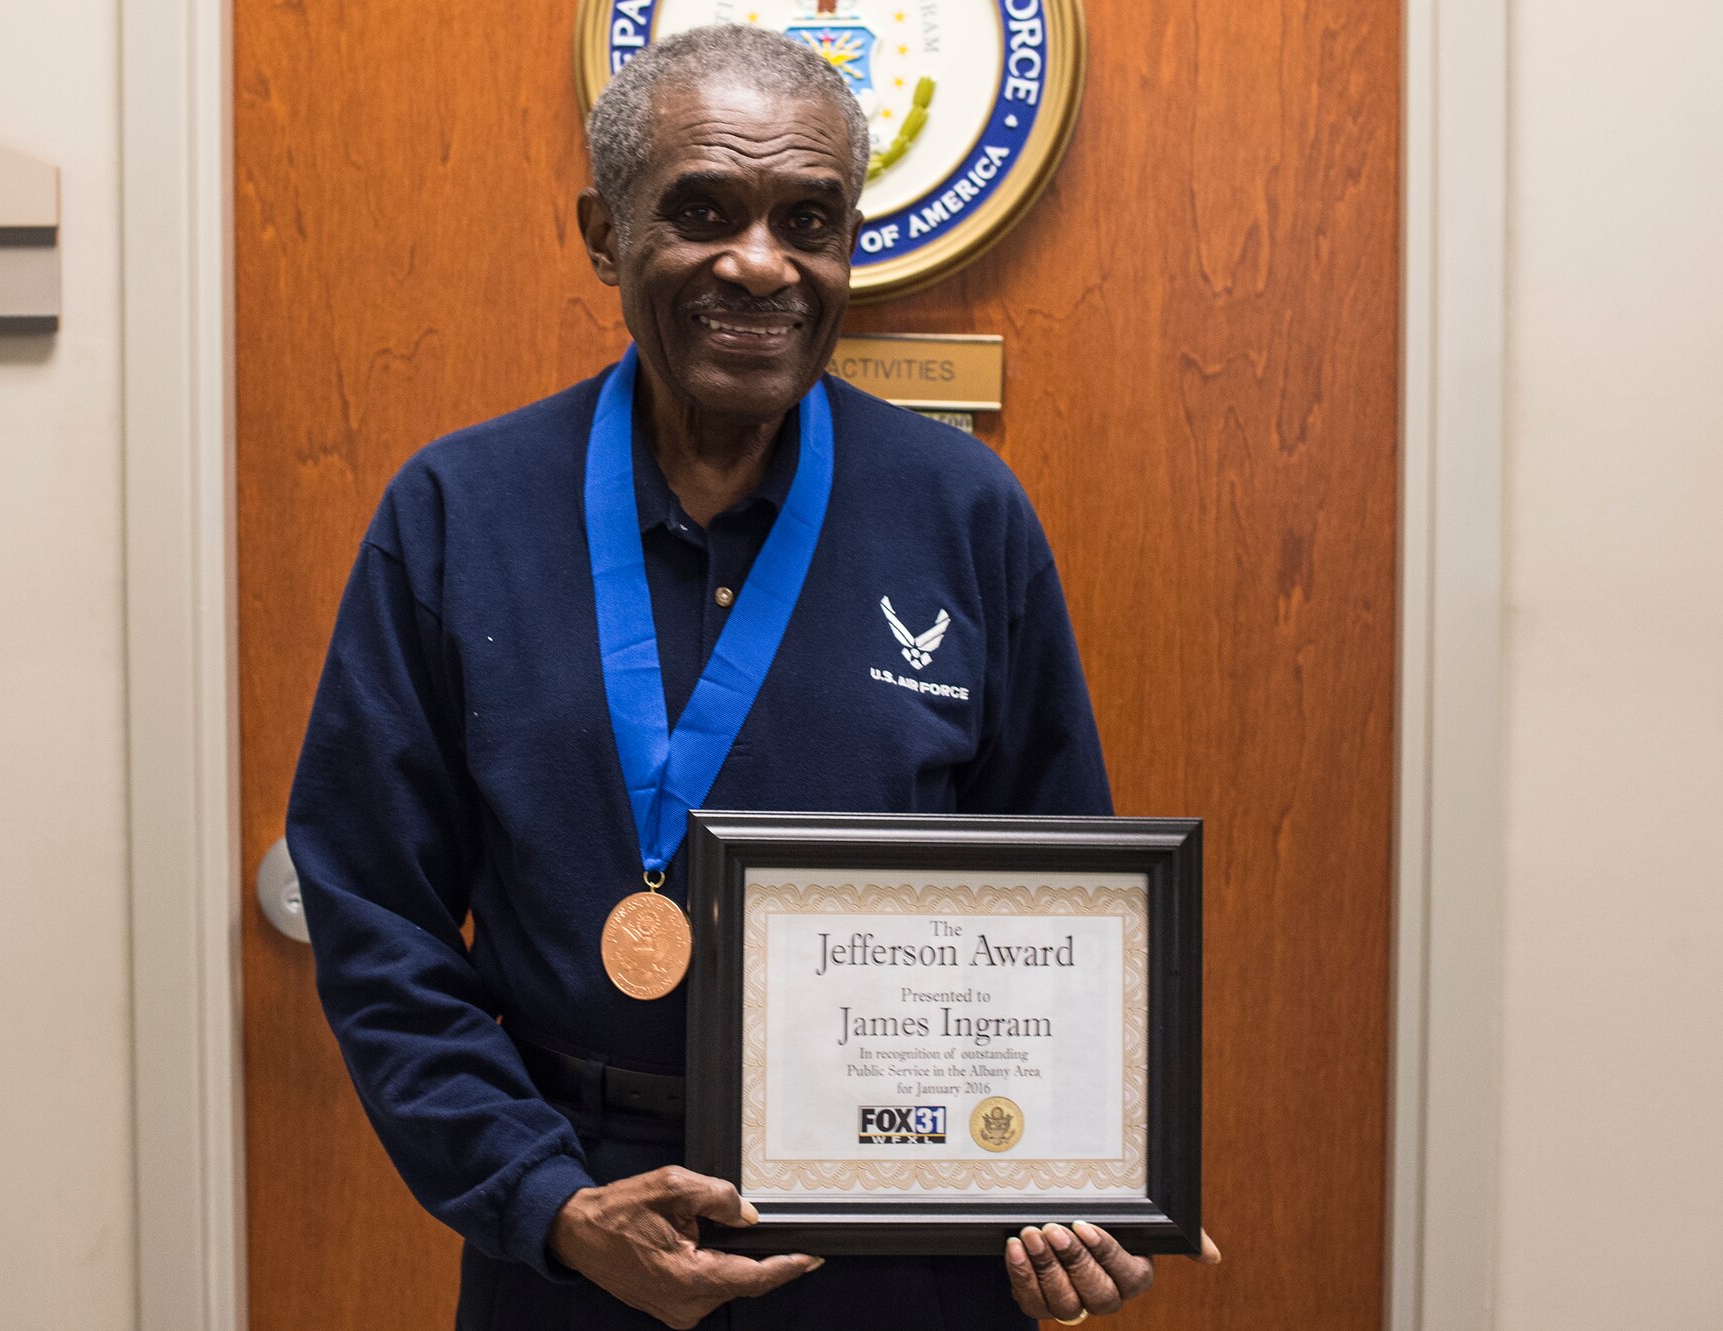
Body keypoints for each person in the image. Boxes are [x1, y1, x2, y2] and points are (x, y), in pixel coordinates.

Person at [288, 22, 1217, 1331]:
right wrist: (540, 1199)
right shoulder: (456, 515)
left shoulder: (964, 513)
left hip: (909, 1236)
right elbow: (375, 917)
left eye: (810, 220)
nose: (761, 263)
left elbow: (1056, 910)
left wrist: (1089, 1185)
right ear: (604, 236)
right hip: (581, 1228)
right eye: (703, 212)